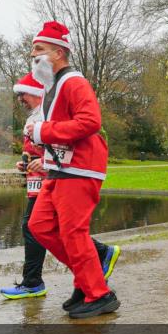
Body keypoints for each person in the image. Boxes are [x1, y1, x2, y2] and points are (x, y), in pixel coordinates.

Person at [25, 21, 120, 318]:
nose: (33, 55)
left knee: (72, 232)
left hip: (80, 168)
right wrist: (39, 134)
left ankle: (99, 293)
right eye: (32, 50)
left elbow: (90, 122)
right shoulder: (54, 85)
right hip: (60, 169)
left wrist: (43, 131)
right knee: (39, 225)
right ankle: (87, 278)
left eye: (38, 49)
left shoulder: (74, 82)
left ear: (58, 52)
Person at [0, 72, 120, 300]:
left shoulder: (55, 106)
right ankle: (91, 268)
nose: (20, 100)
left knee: (57, 228)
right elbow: (42, 148)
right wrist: (28, 163)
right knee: (41, 226)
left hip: (60, 177)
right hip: (42, 179)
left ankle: (41, 281)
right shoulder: (33, 118)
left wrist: (45, 162)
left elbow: (74, 135)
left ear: (35, 93)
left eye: (23, 94)